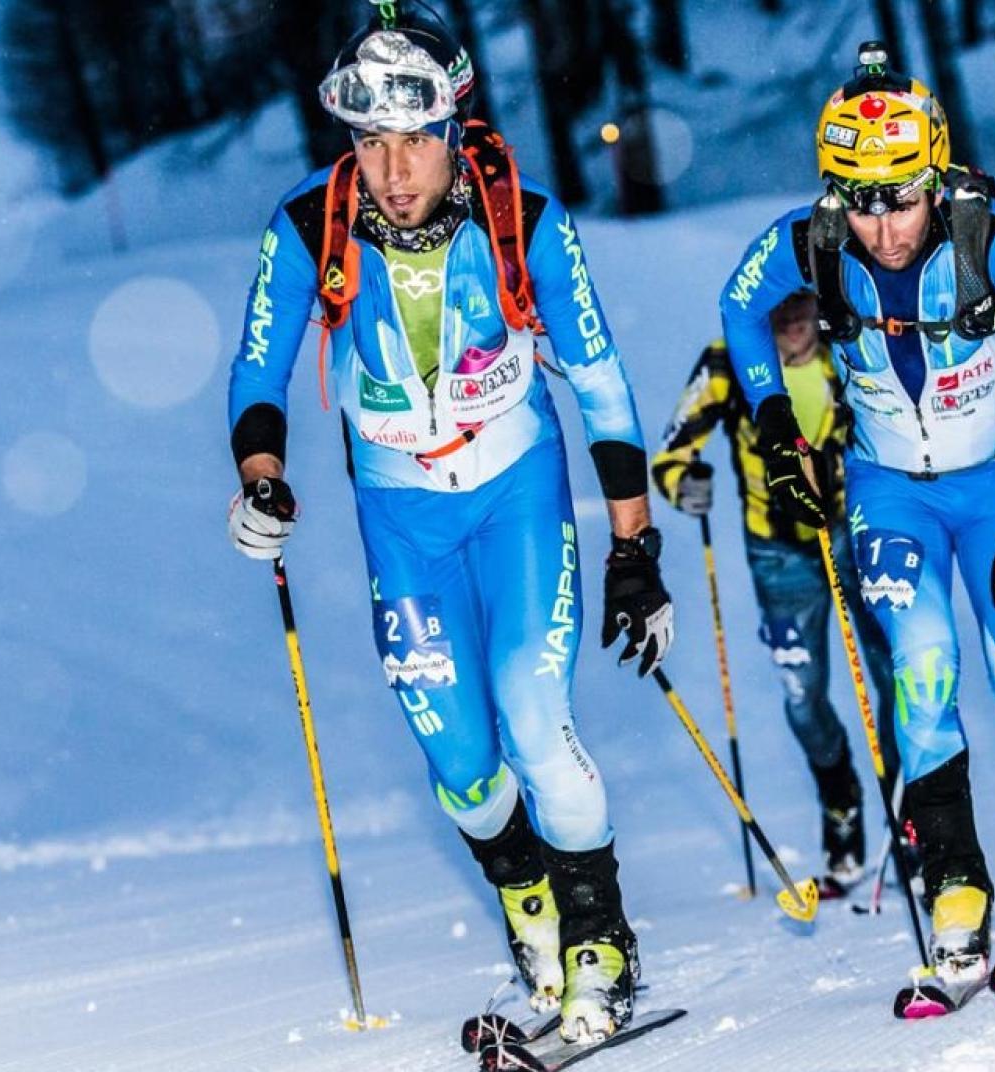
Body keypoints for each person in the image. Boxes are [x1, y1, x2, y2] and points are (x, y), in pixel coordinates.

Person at [224, 9, 672, 1042]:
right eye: (369, 141)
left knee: (534, 717)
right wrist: (261, 478)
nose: (391, 167)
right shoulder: (309, 225)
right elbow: (260, 366)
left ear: (454, 124)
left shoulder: (524, 218)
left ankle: (600, 941)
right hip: (401, 518)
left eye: (413, 139)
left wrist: (633, 548)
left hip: (515, 489)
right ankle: (534, 926)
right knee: (463, 765)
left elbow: (601, 385)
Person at [717, 42, 995, 977]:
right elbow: (739, 308)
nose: (882, 228)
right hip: (888, 493)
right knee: (923, 674)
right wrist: (775, 425)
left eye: (900, 197)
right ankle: (956, 884)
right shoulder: (810, 241)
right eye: (859, 199)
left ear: (936, 177)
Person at [650, 291, 898, 894]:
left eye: (801, 306)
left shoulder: (849, 351)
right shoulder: (726, 362)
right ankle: (842, 807)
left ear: (819, 305)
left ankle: (909, 818)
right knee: (802, 696)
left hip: (855, 534)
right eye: (776, 311)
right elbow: (672, 452)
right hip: (778, 554)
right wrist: (688, 486)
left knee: (896, 675)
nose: (791, 322)